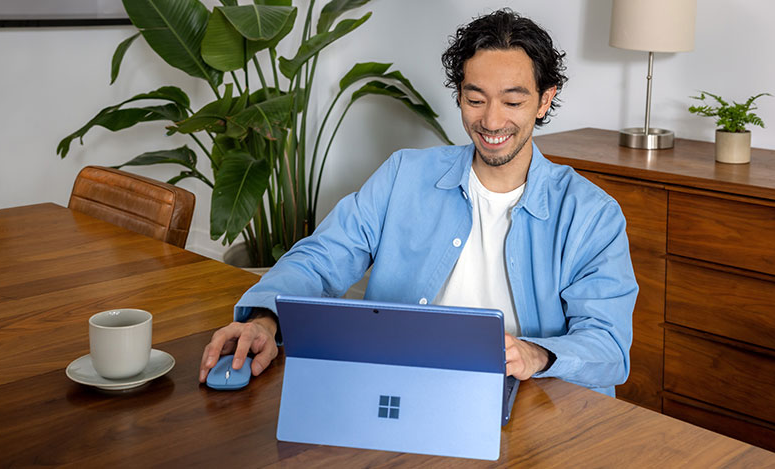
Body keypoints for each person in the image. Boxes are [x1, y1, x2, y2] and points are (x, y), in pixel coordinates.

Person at [199, 9, 637, 397]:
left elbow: (608, 345)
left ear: (545, 100)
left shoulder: (591, 214)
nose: (492, 120)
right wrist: (263, 318)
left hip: (529, 402)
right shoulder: (403, 175)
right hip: (402, 388)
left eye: (513, 100)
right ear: (460, 96)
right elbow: (321, 257)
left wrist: (535, 354)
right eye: (475, 98)